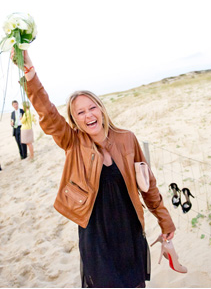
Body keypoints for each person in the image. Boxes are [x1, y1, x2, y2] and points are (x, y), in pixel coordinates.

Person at [20, 45, 177, 289]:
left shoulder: (127, 139)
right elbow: (48, 115)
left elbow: (149, 186)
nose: (88, 115)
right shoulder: (72, 142)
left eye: (92, 107)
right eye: (80, 112)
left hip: (129, 231)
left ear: (101, 110)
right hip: (96, 237)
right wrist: (30, 72)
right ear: (75, 120)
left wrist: (165, 221)